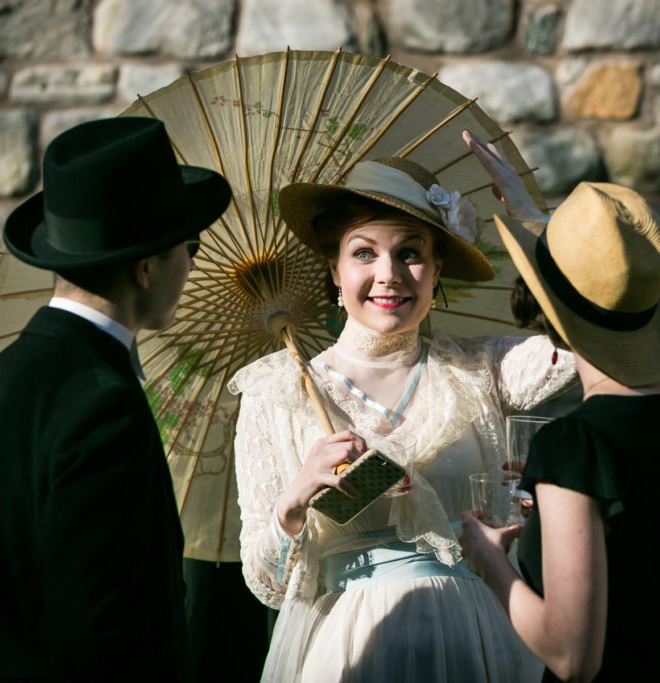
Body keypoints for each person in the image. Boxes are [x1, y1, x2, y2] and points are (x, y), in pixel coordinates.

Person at [228, 130, 578, 682]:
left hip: (472, 642)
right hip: (348, 649)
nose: (389, 274)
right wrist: (296, 500)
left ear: (437, 271)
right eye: (364, 252)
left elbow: (591, 339)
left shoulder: (480, 370)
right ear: (335, 273)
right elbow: (266, 583)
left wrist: (536, 225)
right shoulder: (278, 391)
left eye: (410, 253)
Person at [0, 117, 230, 682]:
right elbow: (105, 633)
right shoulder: (102, 405)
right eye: (189, 248)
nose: (192, 266)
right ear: (145, 268)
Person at [459, 182, 660, 682]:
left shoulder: (575, 445)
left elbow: (572, 657)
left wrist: (488, 561)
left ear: (546, 310)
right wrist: (560, 491)